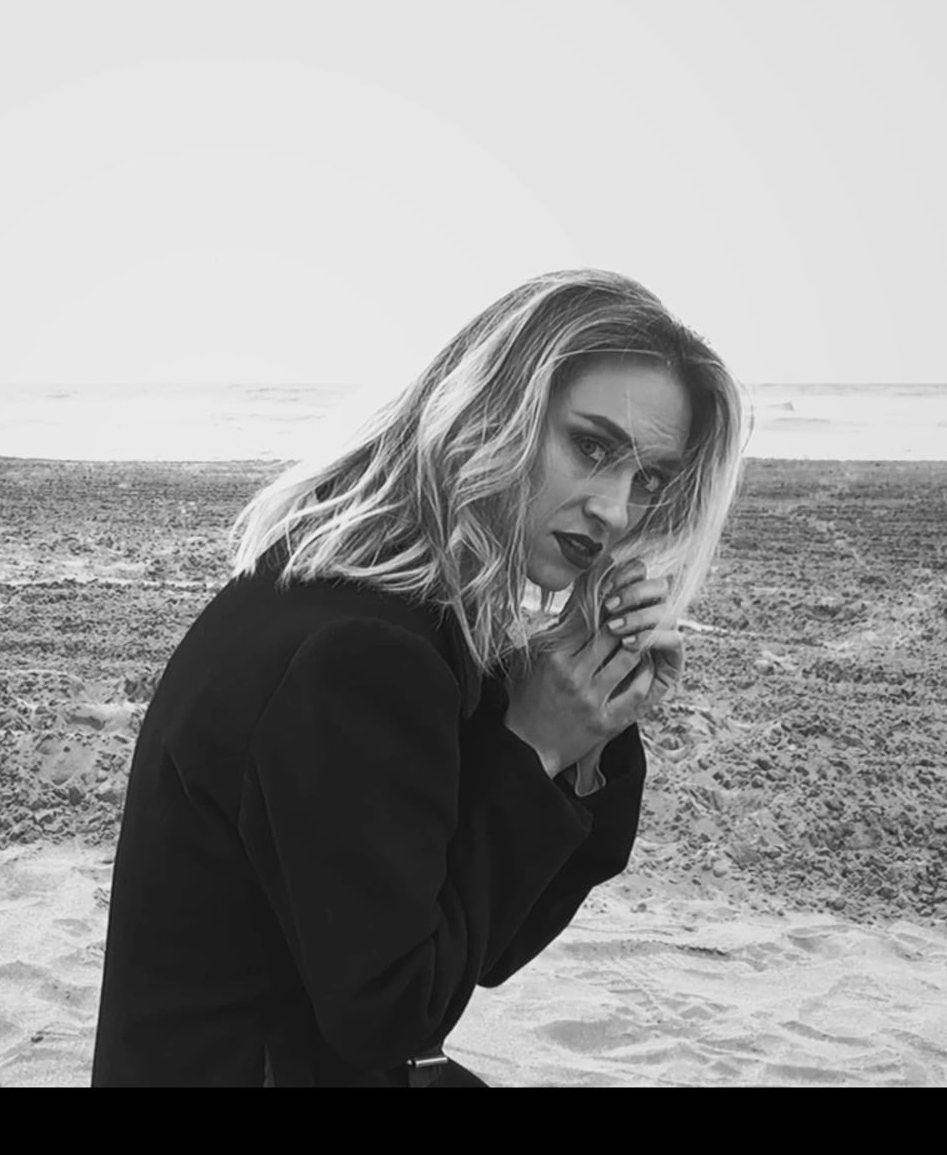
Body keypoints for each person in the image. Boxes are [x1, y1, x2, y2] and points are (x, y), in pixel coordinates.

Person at [90, 268, 750, 1087]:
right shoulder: (362, 657)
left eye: (648, 480)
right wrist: (534, 746)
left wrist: (588, 725)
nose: (615, 509)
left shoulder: (376, 600)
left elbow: (486, 942)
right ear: (494, 409)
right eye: (591, 447)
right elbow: (397, 1012)